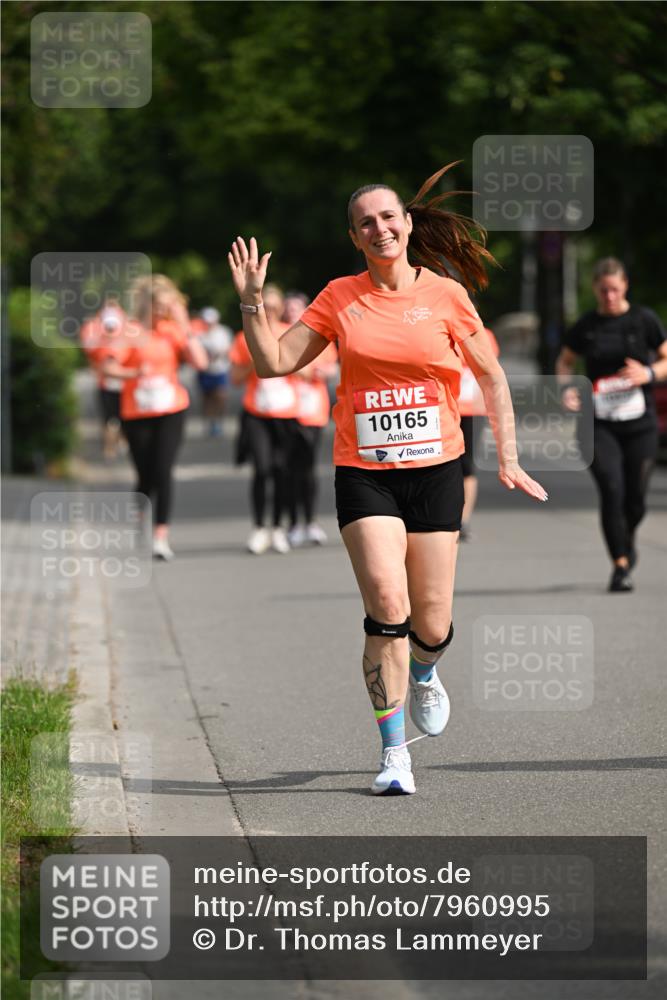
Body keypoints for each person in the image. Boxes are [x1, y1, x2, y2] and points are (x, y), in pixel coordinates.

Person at [228, 164, 547, 795]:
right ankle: (395, 752)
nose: (379, 229)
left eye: (388, 217)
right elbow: (273, 362)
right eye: (365, 223)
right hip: (364, 473)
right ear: (355, 237)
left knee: (431, 624)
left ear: (406, 224)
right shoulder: (339, 297)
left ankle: (425, 671)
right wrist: (251, 300)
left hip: (436, 469)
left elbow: (491, 377)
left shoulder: (446, 295)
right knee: (386, 606)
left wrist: (507, 458)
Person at [557, 257, 667, 592]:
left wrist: (648, 372)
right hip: (598, 424)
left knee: (635, 499)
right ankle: (620, 565)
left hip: (640, 423)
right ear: (595, 289)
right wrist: (567, 389)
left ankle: (625, 536)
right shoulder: (587, 325)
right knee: (612, 489)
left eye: (615, 290)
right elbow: (565, 361)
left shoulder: (643, 320)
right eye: (604, 290)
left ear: (625, 286)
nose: (609, 296)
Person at [102, 275, 208, 561]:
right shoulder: (130, 331)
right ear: (146, 304)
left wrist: (184, 325)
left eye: (166, 306)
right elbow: (108, 367)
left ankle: (161, 535)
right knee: (145, 473)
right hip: (137, 412)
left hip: (171, 409)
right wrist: (133, 373)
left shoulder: (173, 330)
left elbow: (201, 362)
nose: (162, 311)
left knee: (163, 470)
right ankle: (140, 516)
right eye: (159, 306)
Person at [229, 284, 299, 555]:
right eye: (264, 306)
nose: (268, 312)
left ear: (281, 309)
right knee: (261, 468)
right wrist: (255, 357)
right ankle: (259, 527)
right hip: (256, 412)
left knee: (282, 470)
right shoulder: (243, 336)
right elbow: (235, 378)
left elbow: (307, 370)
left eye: (273, 307)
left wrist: (282, 359)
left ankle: (279, 528)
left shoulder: (292, 332)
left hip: (286, 413)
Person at [282, 291, 339, 547]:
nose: (292, 311)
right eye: (288, 308)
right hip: (285, 411)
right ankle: (293, 523)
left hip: (313, 411)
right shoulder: (280, 334)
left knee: (307, 468)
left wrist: (319, 370)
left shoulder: (318, 334)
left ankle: (311, 522)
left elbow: (332, 367)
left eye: (296, 307)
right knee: (288, 469)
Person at [456, 324, 500, 540]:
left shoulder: (484, 334)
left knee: (467, 465)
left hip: (473, 410)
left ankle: (462, 521)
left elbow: (490, 369)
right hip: (443, 408)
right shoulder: (436, 324)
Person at [80, 302, 128, 460]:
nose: (111, 330)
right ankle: (109, 448)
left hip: (124, 387)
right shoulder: (99, 344)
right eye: (108, 327)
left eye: (113, 326)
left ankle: (121, 442)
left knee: (124, 417)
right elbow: (91, 357)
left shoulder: (126, 343)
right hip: (106, 386)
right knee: (109, 419)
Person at [195, 306, 233, 437]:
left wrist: (219, 354)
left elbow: (228, 349)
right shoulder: (199, 334)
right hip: (205, 371)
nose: (209, 324)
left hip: (220, 370)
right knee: (207, 397)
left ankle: (219, 421)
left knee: (221, 396)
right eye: (206, 321)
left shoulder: (224, 332)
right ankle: (210, 422)